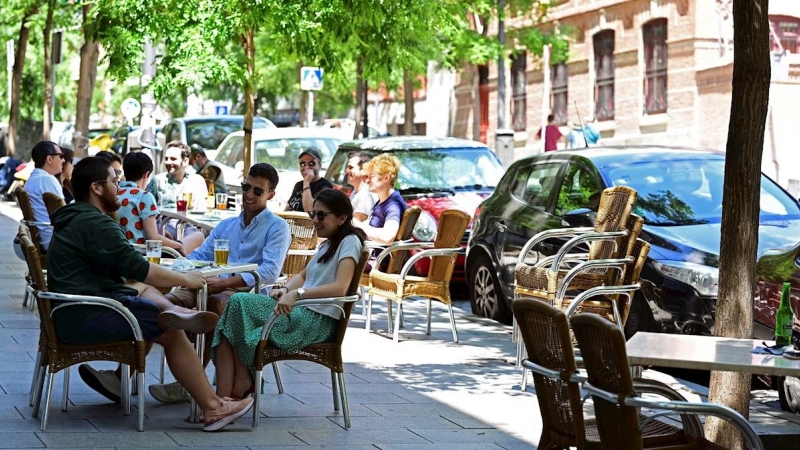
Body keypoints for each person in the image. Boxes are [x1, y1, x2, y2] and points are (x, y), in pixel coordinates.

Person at [47, 156, 252, 431]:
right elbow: (141, 269)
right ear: (96, 188)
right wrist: (187, 280)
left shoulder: (76, 216)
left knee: (144, 292)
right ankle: (213, 408)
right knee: (170, 331)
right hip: (85, 314)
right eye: (114, 181)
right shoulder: (96, 223)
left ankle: (175, 310)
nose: (119, 187)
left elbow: (131, 272)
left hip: (71, 310)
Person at [148, 163, 292, 404]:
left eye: (257, 191)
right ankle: (122, 376)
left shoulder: (277, 227)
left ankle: (191, 385)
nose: (249, 194)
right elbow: (200, 256)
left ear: (271, 195)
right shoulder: (227, 225)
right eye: (246, 187)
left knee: (214, 306)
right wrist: (176, 271)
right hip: (208, 284)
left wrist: (224, 284)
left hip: (247, 294)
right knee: (158, 304)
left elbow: (269, 271)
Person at [211, 188, 365, 400]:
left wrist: (297, 295)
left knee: (237, 303)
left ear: (342, 218)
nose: (315, 220)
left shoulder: (350, 242)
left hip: (316, 321)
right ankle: (223, 399)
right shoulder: (329, 243)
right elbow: (303, 275)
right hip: (300, 313)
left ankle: (237, 387)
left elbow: (340, 287)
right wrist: (285, 289)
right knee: (232, 314)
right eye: (313, 214)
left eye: (322, 215)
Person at [117, 152, 204, 254]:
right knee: (199, 236)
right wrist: (178, 246)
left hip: (121, 252)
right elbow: (153, 237)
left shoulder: (115, 193)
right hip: (144, 255)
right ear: (146, 175)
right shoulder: (144, 196)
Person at [147, 141, 209, 238]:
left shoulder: (197, 181)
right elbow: (146, 208)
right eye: (166, 158)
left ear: (185, 161)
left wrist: (193, 207)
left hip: (190, 225)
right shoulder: (158, 180)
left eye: (173, 159)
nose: (168, 162)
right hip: (163, 225)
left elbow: (203, 209)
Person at [353, 153, 406, 246]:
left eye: (371, 176)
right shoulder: (383, 200)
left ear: (386, 177)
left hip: (376, 259)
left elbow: (388, 237)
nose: (367, 181)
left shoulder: (393, 205)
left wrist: (358, 225)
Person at [24, 140, 65, 251]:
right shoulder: (47, 180)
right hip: (56, 241)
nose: (63, 160)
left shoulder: (32, 180)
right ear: (49, 159)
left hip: (45, 239)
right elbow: (66, 215)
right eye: (60, 156)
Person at [285, 148, 332, 212]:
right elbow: (289, 206)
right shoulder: (298, 185)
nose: (306, 167)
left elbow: (310, 211)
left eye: (311, 163)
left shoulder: (325, 186)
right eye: (303, 164)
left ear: (320, 166)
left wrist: (306, 182)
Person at [345, 151, 376, 221]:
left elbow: (357, 224)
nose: (346, 171)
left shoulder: (366, 195)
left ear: (364, 170)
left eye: (350, 167)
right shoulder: (356, 192)